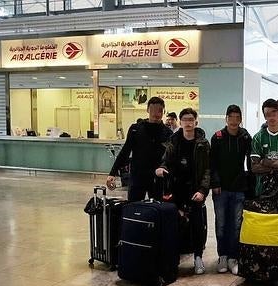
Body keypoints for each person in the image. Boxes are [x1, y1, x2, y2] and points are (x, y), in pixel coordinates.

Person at [155, 108, 210, 274]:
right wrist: (161, 168)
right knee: (175, 225)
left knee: (197, 225)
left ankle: (198, 258)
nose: (188, 122)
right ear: (180, 122)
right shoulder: (173, 142)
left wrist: (202, 190)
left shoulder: (203, 144)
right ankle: (174, 259)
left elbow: (208, 169)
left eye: (191, 119)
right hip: (176, 191)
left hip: (195, 191)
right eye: (185, 119)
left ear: (196, 122)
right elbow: (165, 161)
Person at [210, 105, 252, 275]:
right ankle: (223, 256)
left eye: (237, 117)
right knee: (221, 224)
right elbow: (212, 163)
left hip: (239, 187)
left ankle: (234, 257)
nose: (234, 120)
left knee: (236, 224)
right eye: (231, 117)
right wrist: (215, 183)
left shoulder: (245, 137)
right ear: (226, 118)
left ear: (240, 119)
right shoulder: (218, 137)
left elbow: (250, 161)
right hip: (221, 188)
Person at [106, 97, 172, 201]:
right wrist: (113, 173)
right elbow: (125, 151)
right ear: (147, 110)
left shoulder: (168, 133)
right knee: (134, 207)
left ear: (163, 111)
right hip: (138, 175)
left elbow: (169, 157)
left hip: (157, 177)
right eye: (152, 110)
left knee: (158, 209)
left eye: (159, 110)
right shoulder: (136, 129)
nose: (156, 113)